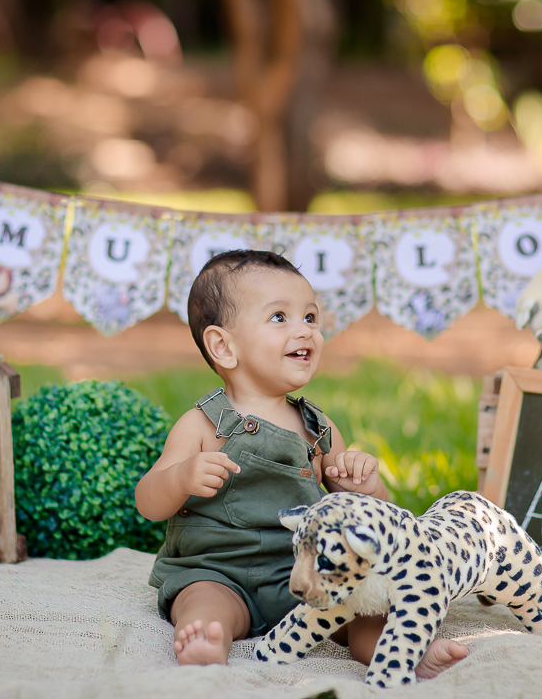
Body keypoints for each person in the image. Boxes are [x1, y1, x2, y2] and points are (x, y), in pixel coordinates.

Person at [135, 250, 468, 676]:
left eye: (310, 318)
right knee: (202, 600)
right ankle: (207, 636)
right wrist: (181, 476)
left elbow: (358, 510)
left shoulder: (317, 426)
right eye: (280, 318)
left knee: (364, 604)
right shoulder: (202, 424)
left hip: (307, 573)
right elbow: (148, 501)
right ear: (223, 345)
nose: (305, 331)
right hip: (218, 570)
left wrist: (366, 486)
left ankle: (397, 648)